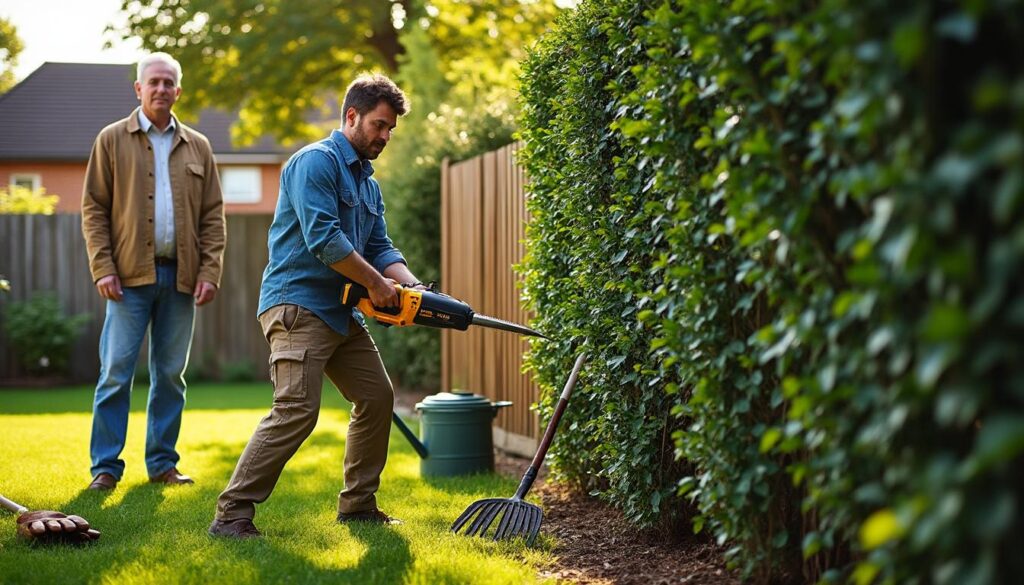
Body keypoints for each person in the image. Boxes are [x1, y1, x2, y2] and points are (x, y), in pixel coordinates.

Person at [209, 73, 420, 539]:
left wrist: (414, 289)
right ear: (351, 116)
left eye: (390, 130)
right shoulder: (315, 163)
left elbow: (381, 245)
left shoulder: (367, 183)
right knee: (296, 409)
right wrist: (378, 286)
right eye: (380, 125)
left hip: (341, 310)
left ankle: (358, 507)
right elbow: (324, 238)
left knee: (377, 396)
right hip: (298, 304)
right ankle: (232, 514)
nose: (385, 137)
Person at [81, 52, 226, 491]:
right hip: (127, 280)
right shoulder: (110, 140)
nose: (161, 89)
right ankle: (105, 468)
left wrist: (210, 271)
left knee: (170, 376)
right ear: (138, 89)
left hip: (182, 280)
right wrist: (103, 266)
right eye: (154, 82)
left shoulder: (198, 146)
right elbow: (93, 209)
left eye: (169, 83)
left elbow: (213, 215)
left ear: (178, 91)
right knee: (115, 373)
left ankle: (162, 463)